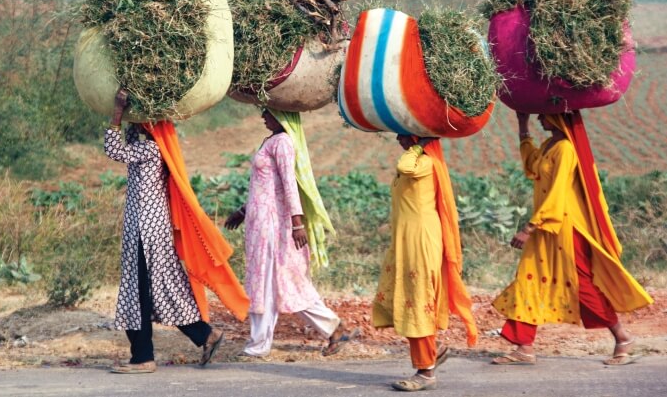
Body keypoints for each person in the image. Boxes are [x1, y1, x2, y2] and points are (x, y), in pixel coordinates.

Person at [491, 111, 654, 367]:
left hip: (564, 229)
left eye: (544, 115)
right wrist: (522, 125)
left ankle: (622, 338)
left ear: (558, 118)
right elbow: (531, 166)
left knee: (582, 285)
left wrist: (529, 228)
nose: (539, 118)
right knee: (528, 280)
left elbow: (557, 195)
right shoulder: (549, 145)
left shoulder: (566, 149)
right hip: (545, 229)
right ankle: (524, 347)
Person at [105, 89, 248, 373]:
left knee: (140, 293)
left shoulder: (149, 150)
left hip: (146, 233)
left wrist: (118, 112)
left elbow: (114, 149)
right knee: (163, 290)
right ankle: (206, 336)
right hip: (151, 232)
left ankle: (143, 357)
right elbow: (130, 139)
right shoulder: (154, 147)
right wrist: (134, 108)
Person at [224, 109, 347, 358]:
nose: (262, 116)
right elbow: (266, 187)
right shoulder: (270, 141)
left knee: (272, 281)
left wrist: (297, 223)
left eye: (268, 112)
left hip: (273, 226)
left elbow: (290, 185)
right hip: (261, 224)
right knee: (273, 282)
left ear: (282, 117)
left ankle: (260, 344)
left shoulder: (282, 143)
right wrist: (243, 211)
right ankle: (331, 329)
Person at [372, 134, 478, 392]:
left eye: (404, 134)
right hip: (406, 241)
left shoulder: (425, 162)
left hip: (421, 241)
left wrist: (420, 144)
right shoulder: (420, 161)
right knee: (407, 298)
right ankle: (433, 351)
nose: (398, 138)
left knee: (417, 300)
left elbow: (404, 166)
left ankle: (425, 372)